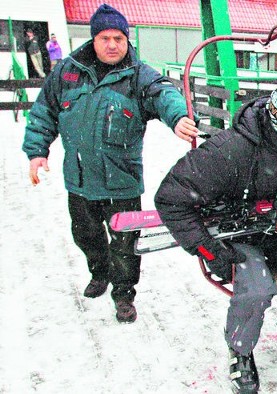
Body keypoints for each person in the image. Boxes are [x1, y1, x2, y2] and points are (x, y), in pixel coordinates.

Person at [154, 80, 277, 393]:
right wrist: (211, 251)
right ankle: (241, 349)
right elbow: (171, 198)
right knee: (256, 291)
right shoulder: (229, 151)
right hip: (236, 230)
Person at [22, 4, 199, 323]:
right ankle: (99, 272)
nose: (113, 44)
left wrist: (178, 117)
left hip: (122, 183)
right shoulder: (67, 72)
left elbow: (163, 94)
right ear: (94, 40)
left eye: (119, 37)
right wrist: (37, 152)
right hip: (79, 181)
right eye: (105, 37)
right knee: (86, 236)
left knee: (125, 246)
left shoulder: (139, 75)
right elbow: (44, 113)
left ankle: (123, 294)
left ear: (127, 40)